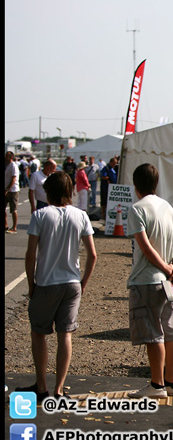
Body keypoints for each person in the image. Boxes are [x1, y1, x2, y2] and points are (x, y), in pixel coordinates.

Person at [16, 171, 97, 400]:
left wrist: (31, 284)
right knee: (65, 335)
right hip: (72, 283)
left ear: (48, 192)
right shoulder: (81, 216)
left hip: (47, 282)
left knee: (39, 333)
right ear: (70, 191)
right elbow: (92, 254)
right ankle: (59, 389)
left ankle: (41, 387)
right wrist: (83, 283)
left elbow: (31, 255)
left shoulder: (40, 216)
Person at [126, 163, 173, 399]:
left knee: (153, 334)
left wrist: (164, 266)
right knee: (172, 331)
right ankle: (170, 382)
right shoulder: (168, 207)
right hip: (170, 281)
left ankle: (156, 385)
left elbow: (144, 245)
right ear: (156, 183)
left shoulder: (137, 209)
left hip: (147, 279)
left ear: (136, 184)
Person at [5, 151, 20, 233]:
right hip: (6, 190)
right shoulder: (6, 166)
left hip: (13, 190)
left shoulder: (13, 165)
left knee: (13, 209)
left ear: (11, 157)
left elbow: (14, 179)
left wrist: (7, 189)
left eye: (6, 156)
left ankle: (14, 227)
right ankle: (5, 225)